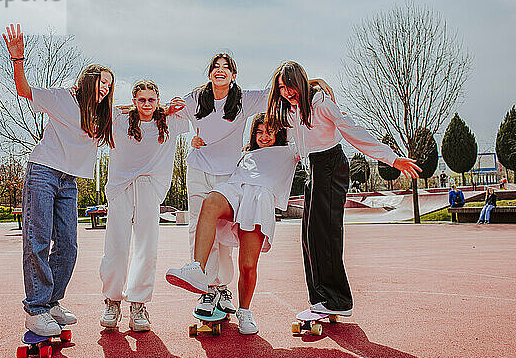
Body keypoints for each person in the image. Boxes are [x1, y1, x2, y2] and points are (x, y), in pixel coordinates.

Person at [173, 52, 333, 316]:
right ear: (209, 72)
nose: (220, 70)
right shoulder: (196, 98)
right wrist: (134, 111)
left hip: (227, 173)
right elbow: (168, 115)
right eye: (216, 67)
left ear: (234, 75)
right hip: (200, 168)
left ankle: (221, 288)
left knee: (222, 239)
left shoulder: (245, 100)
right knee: (198, 225)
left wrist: (311, 82)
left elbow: (280, 92)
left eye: (226, 67)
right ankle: (204, 283)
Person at [264, 61, 421, 317]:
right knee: (308, 236)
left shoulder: (322, 104)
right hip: (314, 168)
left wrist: (392, 159)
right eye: (281, 88)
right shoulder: (291, 112)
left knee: (324, 233)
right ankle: (321, 299)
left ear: (300, 83)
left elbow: (354, 132)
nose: (286, 92)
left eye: (290, 86)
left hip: (331, 165)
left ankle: (337, 300)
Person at [3, 24, 115, 336]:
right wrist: (18, 59)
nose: (105, 87)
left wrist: (164, 110)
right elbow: (25, 91)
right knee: (38, 240)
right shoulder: (64, 99)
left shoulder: (102, 116)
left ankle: (52, 302)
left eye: (110, 84)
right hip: (43, 171)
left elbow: (136, 112)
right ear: (89, 80)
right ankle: (36, 309)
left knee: (68, 245)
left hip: (69, 181)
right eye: (102, 81)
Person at [166, 113, 298, 334]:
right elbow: (219, 146)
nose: (264, 136)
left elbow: (307, 132)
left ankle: (245, 311)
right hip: (236, 191)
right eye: (259, 132)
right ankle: (198, 268)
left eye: (269, 132)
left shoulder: (289, 151)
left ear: (279, 132)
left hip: (258, 201)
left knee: (247, 265)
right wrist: (198, 144)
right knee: (210, 202)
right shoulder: (244, 154)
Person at [99, 80, 187, 332]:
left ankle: (138, 303)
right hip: (120, 189)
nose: (146, 104)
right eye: (141, 100)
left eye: (151, 100)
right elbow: (104, 110)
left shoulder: (171, 123)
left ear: (157, 100)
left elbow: (197, 111)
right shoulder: (118, 122)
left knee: (146, 249)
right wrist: (131, 109)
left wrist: (169, 110)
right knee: (116, 248)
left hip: (149, 189)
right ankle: (112, 300)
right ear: (134, 101)